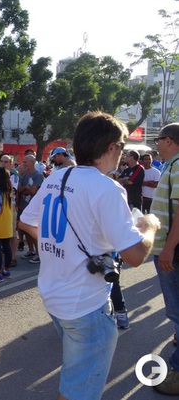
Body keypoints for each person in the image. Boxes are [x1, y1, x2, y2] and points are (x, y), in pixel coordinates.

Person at [19, 111, 160, 400]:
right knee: (78, 393)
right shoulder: (107, 188)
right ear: (110, 147)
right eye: (121, 147)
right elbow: (135, 255)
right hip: (86, 305)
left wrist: (59, 247)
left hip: (54, 295)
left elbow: (25, 221)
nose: (122, 154)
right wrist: (149, 226)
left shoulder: (58, 176)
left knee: (75, 382)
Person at [150, 123, 179, 395]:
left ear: (169, 140)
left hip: (174, 252)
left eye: (158, 139)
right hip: (170, 249)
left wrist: (168, 248)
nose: (156, 144)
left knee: (177, 310)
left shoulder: (178, 165)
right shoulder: (171, 165)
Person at [17, 155, 44, 263]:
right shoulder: (24, 175)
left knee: (33, 231)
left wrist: (25, 190)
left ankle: (38, 254)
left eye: (25, 162)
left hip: (33, 209)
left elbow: (33, 191)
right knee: (25, 231)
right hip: (23, 206)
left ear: (32, 162)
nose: (23, 164)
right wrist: (25, 188)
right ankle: (31, 250)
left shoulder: (38, 175)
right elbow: (19, 189)